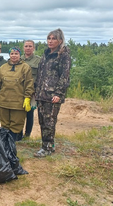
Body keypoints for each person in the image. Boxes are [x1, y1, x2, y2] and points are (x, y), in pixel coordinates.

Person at [34, 29, 71, 157]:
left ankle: (48, 148)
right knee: (42, 121)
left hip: (52, 96)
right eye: (49, 38)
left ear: (60, 40)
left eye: (53, 38)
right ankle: (46, 145)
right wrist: (36, 91)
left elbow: (64, 77)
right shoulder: (45, 54)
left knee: (50, 122)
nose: (50, 41)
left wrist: (59, 94)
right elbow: (40, 74)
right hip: (41, 94)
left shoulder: (63, 55)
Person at [0, 47, 34, 141]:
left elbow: (29, 84)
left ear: (19, 55)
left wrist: (27, 98)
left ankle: (14, 141)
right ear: (9, 55)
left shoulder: (25, 67)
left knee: (16, 123)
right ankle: (5, 142)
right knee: (5, 123)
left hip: (18, 102)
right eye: (12, 54)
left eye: (16, 54)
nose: (14, 56)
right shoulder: (3, 67)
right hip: (4, 101)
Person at [17, 40, 41, 140]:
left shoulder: (38, 60)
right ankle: (18, 134)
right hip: (19, 90)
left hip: (32, 91)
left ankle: (27, 135)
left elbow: (41, 76)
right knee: (18, 113)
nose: (28, 48)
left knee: (29, 113)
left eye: (30, 46)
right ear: (23, 48)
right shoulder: (19, 59)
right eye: (26, 46)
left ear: (33, 48)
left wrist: (37, 91)